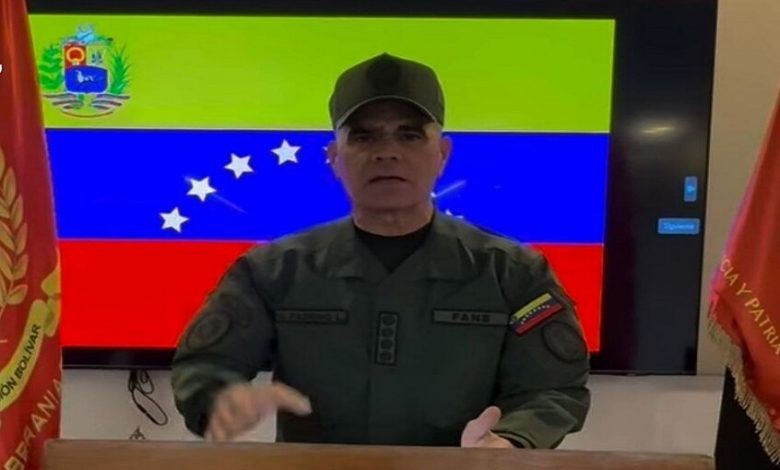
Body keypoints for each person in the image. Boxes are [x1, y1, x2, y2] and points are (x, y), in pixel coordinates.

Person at [171, 52, 590, 449]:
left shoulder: (512, 273)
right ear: (335, 157)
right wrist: (221, 401)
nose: (387, 152)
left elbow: (553, 388)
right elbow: (205, 366)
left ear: (442, 155)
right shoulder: (273, 270)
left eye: (410, 135)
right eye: (364, 136)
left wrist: (512, 439)